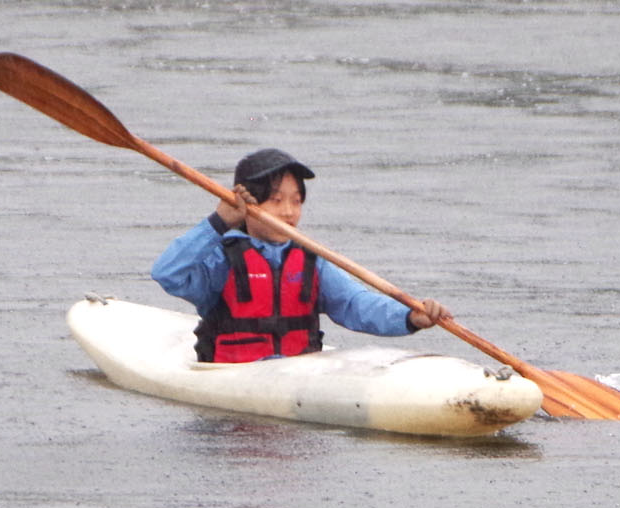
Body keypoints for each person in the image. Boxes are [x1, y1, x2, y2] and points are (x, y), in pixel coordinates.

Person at [150, 147, 449, 364]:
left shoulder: (311, 260)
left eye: (296, 201)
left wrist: (410, 316)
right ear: (247, 207)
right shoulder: (222, 258)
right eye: (276, 201)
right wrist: (218, 222)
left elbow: (356, 304)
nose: (289, 212)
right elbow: (167, 273)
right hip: (232, 379)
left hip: (299, 375)